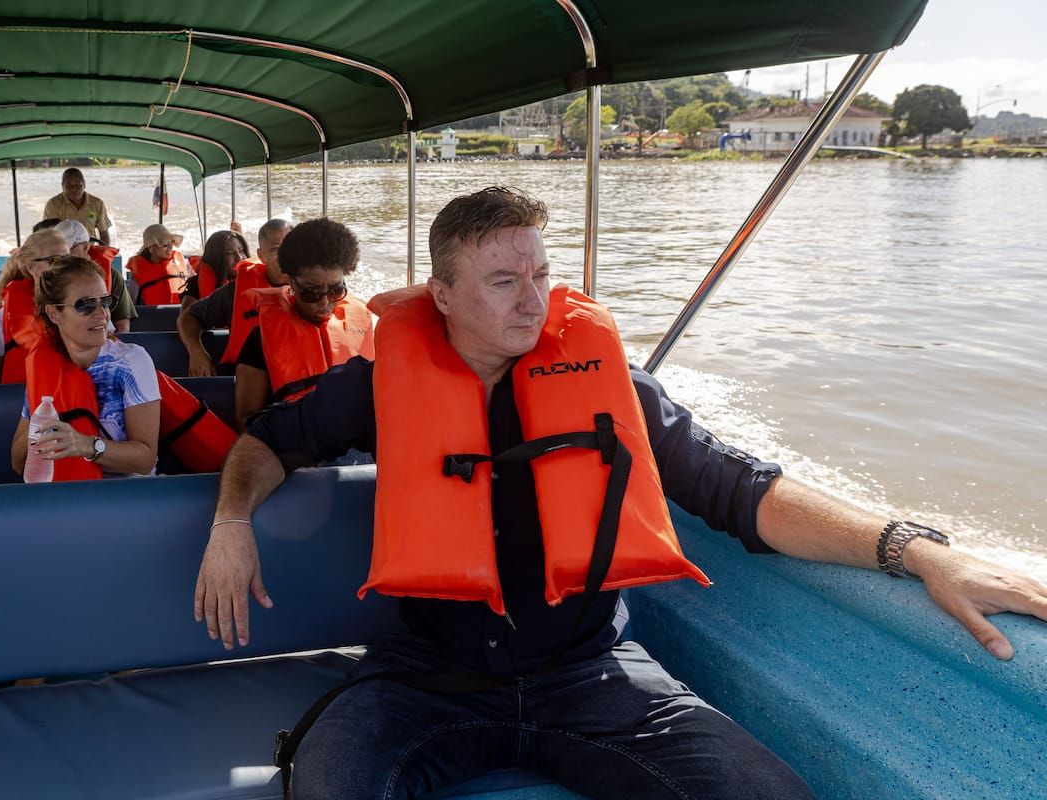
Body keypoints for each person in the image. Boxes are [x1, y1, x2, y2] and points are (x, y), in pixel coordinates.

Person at [194, 187, 1047, 800]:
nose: (534, 299)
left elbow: (743, 492)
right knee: (327, 784)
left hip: (591, 674)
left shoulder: (612, 390)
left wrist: (918, 551)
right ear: (443, 296)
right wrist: (232, 520)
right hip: (427, 677)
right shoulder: (380, 383)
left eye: (541, 274)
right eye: (502, 281)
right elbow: (270, 438)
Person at [10, 256, 160, 479]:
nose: (102, 313)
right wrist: (43, 421)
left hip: (128, 497)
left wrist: (86, 445)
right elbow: (17, 462)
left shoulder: (131, 362)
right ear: (54, 314)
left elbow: (145, 460)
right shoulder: (45, 368)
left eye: (105, 301)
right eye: (85, 305)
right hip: (63, 497)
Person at [233, 217, 373, 423]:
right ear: (291, 281)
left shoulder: (363, 323)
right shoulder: (260, 340)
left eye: (336, 290)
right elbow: (246, 419)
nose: (324, 301)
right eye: (311, 292)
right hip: (295, 447)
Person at [179, 218, 291, 377]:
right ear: (261, 255)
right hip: (249, 379)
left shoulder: (314, 290)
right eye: (275, 249)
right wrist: (196, 352)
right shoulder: (235, 292)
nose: (285, 255)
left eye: (291, 248)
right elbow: (189, 316)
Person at [0, 228, 70, 384]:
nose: (64, 266)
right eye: (54, 260)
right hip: (19, 401)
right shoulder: (3, 317)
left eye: (68, 258)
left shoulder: (88, 306)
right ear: (30, 267)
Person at [55, 219, 137, 333]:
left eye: (67, 251)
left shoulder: (113, 277)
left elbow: (123, 328)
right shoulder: (52, 279)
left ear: (85, 247)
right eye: (57, 253)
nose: (62, 256)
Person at [178, 230, 250, 310]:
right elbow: (184, 320)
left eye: (241, 250)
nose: (239, 258)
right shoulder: (195, 285)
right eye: (229, 253)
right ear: (216, 258)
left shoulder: (258, 279)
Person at [125, 223, 191, 305]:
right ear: (151, 248)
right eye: (165, 245)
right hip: (151, 315)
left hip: (180, 313)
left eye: (172, 242)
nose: (171, 247)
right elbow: (132, 302)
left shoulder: (184, 263)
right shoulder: (137, 272)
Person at [42, 168, 111, 244]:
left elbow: (104, 232)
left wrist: (104, 253)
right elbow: (48, 234)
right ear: (62, 187)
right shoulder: (53, 204)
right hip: (64, 251)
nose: (74, 189)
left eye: (78, 185)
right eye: (69, 186)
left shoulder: (97, 204)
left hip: (89, 249)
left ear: (84, 184)